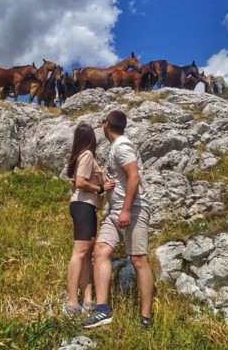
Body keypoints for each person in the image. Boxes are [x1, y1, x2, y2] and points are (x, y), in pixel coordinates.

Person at [83, 110, 153, 329]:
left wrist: (126, 209)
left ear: (106, 124)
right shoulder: (117, 148)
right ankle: (103, 309)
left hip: (132, 210)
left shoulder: (122, 146)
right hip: (115, 211)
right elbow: (122, 178)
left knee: (138, 260)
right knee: (101, 251)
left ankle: (146, 318)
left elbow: (134, 176)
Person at [64, 123, 115, 317]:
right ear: (91, 139)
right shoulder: (87, 155)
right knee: (80, 252)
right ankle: (72, 302)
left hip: (85, 206)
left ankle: (87, 300)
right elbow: (80, 182)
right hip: (83, 206)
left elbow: (77, 182)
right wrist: (102, 188)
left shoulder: (81, 155)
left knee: (86, 253)